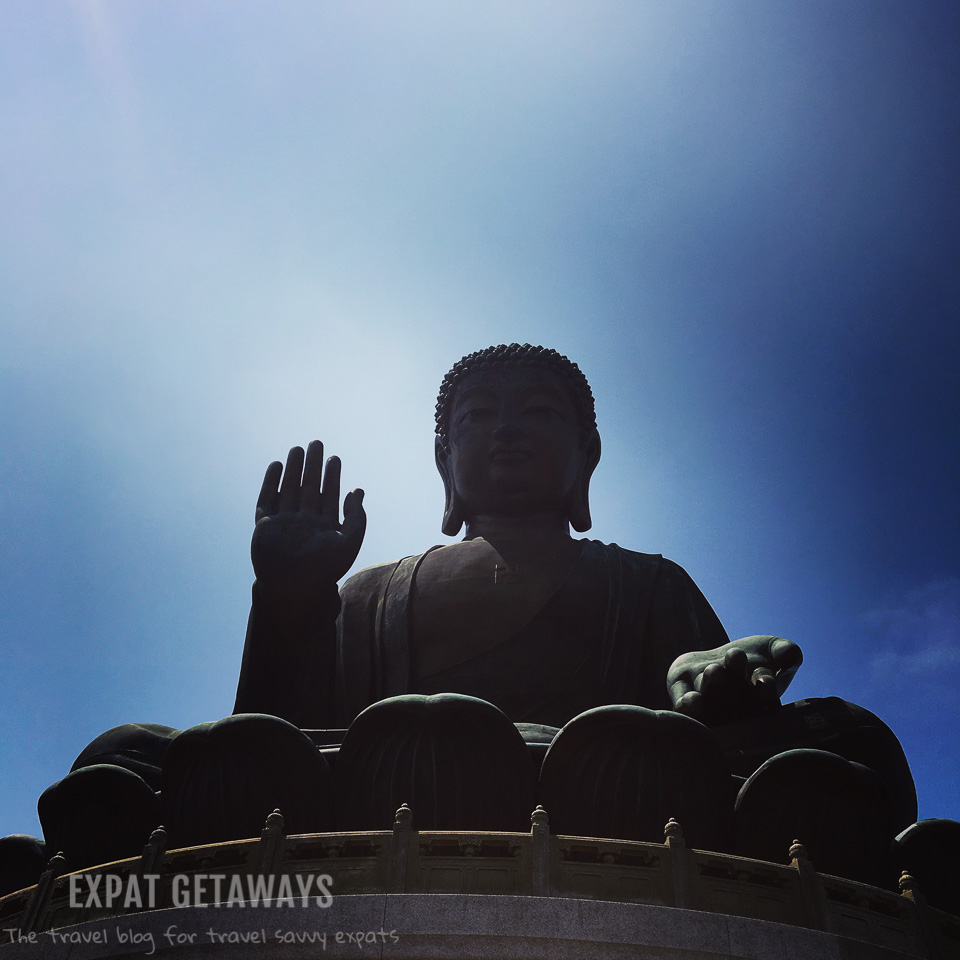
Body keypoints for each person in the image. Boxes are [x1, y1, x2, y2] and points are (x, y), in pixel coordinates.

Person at [234, 343, 802, 731]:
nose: (507, 428)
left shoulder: (650, 585)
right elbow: (276, 742)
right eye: (478, 415)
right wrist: (289, 602)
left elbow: (718, 728)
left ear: (587, 454)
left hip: (612, 783)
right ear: (444, 459)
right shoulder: (367, 597)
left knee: (849, 735)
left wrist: (713, 691)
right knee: (147, 748)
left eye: (539, 411)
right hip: (389, 786)